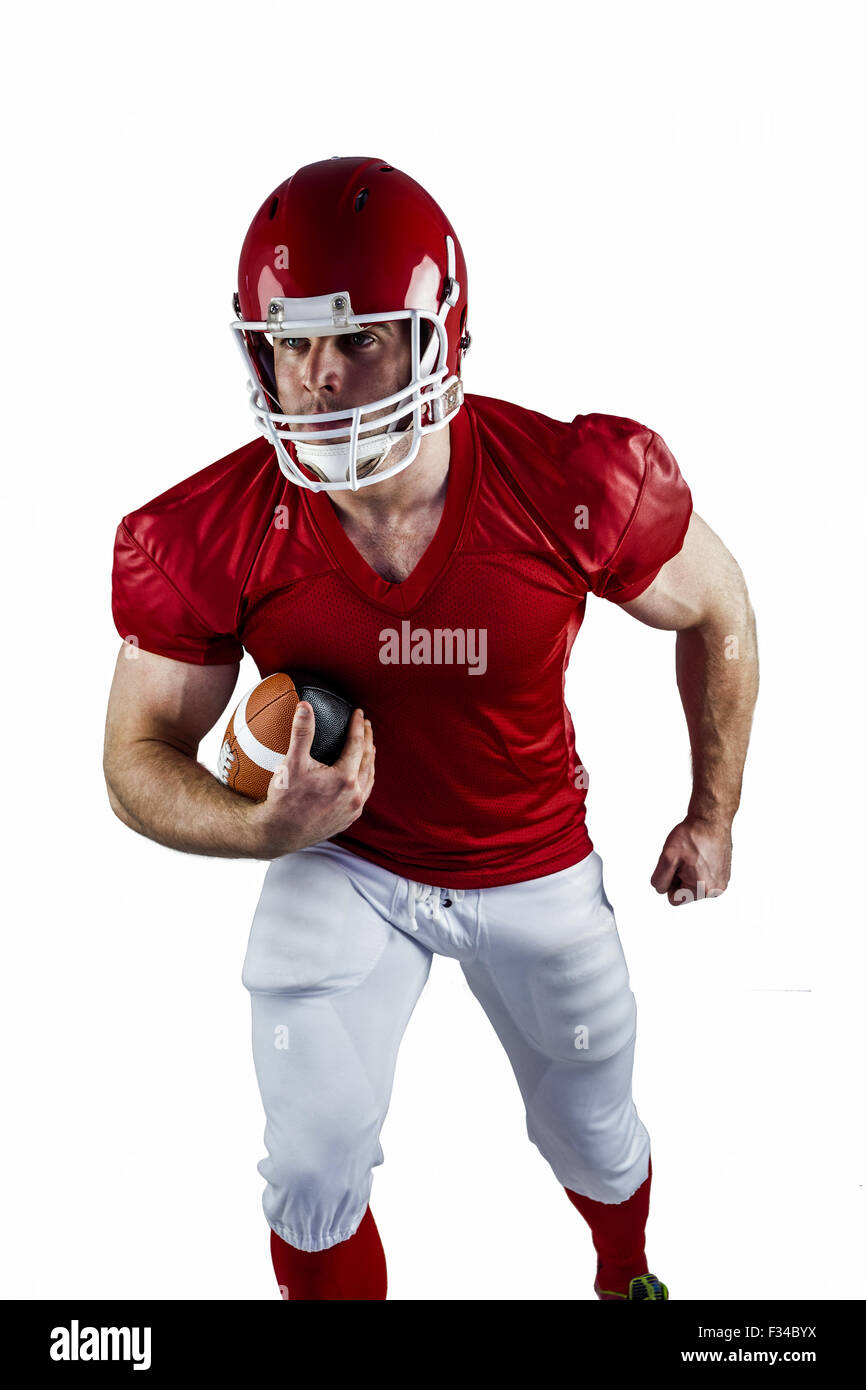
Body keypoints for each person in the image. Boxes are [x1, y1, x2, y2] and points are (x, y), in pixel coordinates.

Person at [104, 155, 759, 1301]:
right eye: (289, 340)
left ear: (436, 334)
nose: (316, 377)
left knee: (594, 1129)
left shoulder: (572, 481)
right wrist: (259, 831)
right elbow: (133, 755)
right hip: (344, 858)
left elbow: (717, 607)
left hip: (531, 856)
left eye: (357, 338)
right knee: (307, 1161)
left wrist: (713, 813)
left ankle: (623, 1274)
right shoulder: (206, 529)